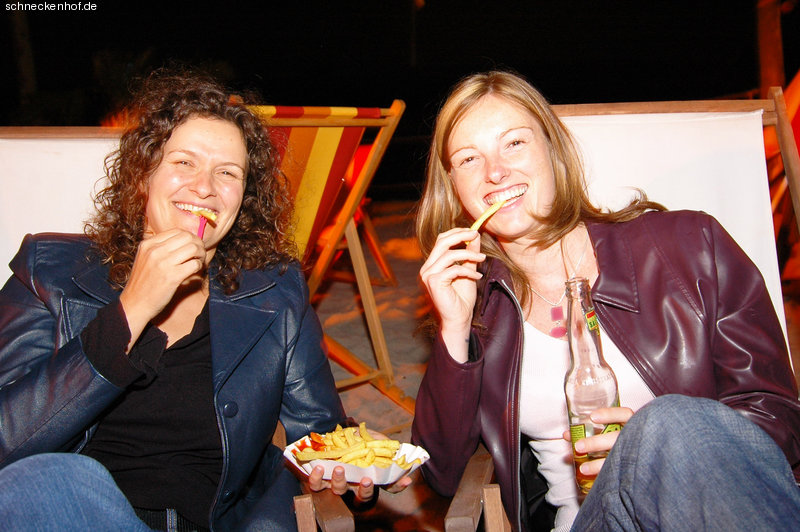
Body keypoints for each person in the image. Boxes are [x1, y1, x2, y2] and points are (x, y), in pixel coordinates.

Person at [0, 70, 391, 531]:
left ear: (243, 199)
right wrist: (131, 311)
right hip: (74, 514)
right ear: (143, 175)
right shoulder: (50, 271)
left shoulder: (275, 293)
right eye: (184, 162)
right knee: (50, 480)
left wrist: (361, 471)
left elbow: (321, 439)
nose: (205, 187)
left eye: (227, 173)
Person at [411, 70, 800, 532]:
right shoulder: (479, 311)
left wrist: (654, 453)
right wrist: (454, 330)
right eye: (469, 158)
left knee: (666, 425)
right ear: (454, 185)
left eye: (514, 143)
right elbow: (444, 475)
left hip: (721, 507)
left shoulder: (690, 246)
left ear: (553, 149)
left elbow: (778, 415)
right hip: (594, 521)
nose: (495, 172)